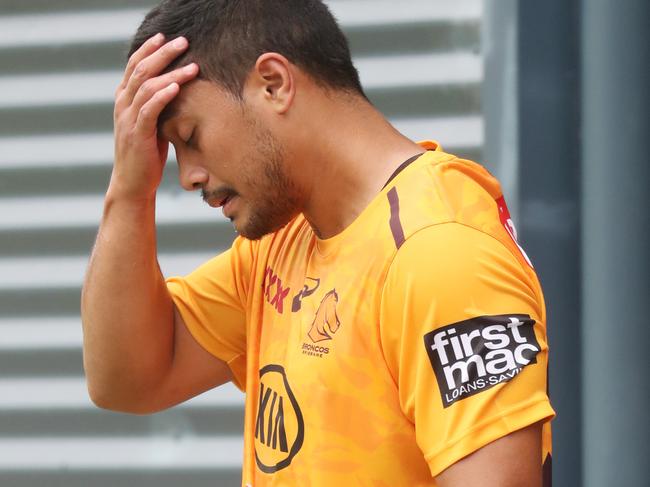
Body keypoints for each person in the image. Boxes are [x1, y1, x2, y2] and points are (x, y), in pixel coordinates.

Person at [81, 0, 555, 485]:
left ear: (274, 84)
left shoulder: (439, 252)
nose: (188, 177)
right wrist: (130, 191)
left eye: (190, 136)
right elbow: (125, 380)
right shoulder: (283, 239)